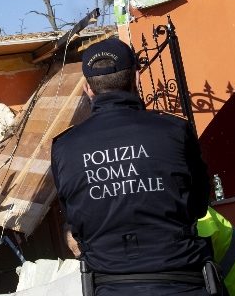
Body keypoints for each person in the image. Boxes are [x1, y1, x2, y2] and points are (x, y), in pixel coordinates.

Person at [51, 37, 213, 295]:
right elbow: (200, 203)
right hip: (182, 280)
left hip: (110, 284)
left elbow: (74, 220)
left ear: (87, 88)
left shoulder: (64, 147)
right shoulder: (174, 130)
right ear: (136, 78)